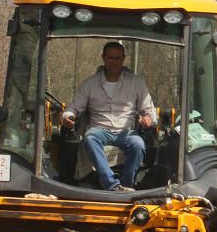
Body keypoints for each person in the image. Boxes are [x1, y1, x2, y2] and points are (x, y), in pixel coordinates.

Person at [63, 41, 155, 191]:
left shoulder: (136, 83)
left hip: (126, 132)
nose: (115, 62)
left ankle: (126, 185)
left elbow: (149, 109)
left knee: (138, 144)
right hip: (100, 130)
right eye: (111, 58)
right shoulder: (90, 84)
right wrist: (68, 116)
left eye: (118, 58)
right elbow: (73, 107)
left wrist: (148, 118)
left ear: (123, 59)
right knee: (90, 138)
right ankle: (111, 185)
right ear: (103, 58)